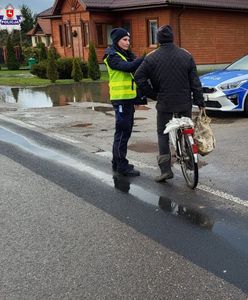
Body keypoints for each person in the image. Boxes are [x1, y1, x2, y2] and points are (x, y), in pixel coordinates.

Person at [134, 25, 205, 182]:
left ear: (158, 39)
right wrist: (199, 101)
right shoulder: (186, 55)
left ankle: (166, 170)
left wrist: (152, 94)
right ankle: (190, 161)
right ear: (173, 38)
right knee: (187, 128)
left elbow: (138, 76)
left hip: (165, 102)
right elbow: (195, 82)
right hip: (184, 101)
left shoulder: (152, 57)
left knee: (163, 133)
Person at [104, 27, 146, 176]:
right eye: (125, 39)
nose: (128, 42)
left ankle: (117, 161)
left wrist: (138, 98)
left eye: (129, 39)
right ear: (117, 41)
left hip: (127, 100)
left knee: (123, 132)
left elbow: (134, 76)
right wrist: (145, 58)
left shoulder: (125, 54)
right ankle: (122, 165)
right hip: (121, 100)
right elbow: (128, 68)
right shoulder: (112, 56)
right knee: (123, 132)